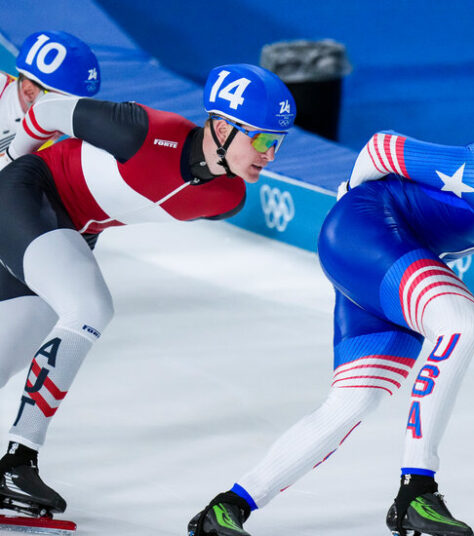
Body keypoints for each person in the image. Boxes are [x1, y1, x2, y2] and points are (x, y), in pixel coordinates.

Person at [187, 112, 474, 536]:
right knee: (461, 321)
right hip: (364, 231)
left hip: (391, 260)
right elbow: (379, 148)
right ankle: (416, 490)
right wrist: (349, 203)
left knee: (352, 404)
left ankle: (226, 509)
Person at [0, 63, 295, 518]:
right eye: (260, 139)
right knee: (88, 306)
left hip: (67, 229)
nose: (270, 154)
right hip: (25, 192)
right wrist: (10, 160)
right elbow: (51, 109)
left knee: (7, 352)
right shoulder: (143, 131)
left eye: (277, 142)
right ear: (220, 126)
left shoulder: (226, 199)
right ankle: (18, 461)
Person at [1, 30, 100, 155]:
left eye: (79, 105)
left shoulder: (46, 144)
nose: (70, 120)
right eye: (63, 105)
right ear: (29, 92)